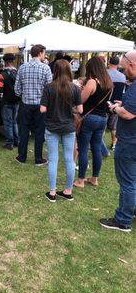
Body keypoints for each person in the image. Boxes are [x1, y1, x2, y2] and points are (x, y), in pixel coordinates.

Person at [100, 51, 136, 232]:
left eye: (124, 68)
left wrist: (116, 109)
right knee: (133, 180)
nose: (123, 72)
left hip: (130, 141)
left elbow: (129, 114)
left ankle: (123, 220)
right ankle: (131, 210)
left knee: (127, 182)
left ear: (132, 65)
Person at [40, 60, 83, 202]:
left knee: (53, 159)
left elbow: (42, 109)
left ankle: (52, 193)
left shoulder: (49, 87)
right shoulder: (75, 88)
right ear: (69, 70)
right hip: (69, 127)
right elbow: (80, 110)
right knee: (69, 159)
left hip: (52, 127)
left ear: (55, 70)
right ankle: (68, 191)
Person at [74, 56, 113, 188]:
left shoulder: (92, 82)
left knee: (83, 148)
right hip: (103, 119)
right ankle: (94, 178)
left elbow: (81, 100)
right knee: (96, 148)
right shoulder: (109, 82)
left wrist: (80, 90)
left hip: (89, 118)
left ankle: (80, 180)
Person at [15, 44, 52, 166]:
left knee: (24, 130)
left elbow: (17, 88)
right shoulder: (45, 68)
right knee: (39, 131)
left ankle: (22, 157)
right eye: (44, 53)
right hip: (40, 105)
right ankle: (38, 159)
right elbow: (49, 88)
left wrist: (23, 95)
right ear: (40, 53)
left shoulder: (22, 67)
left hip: (25, 104)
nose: (44, 55)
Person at [0, 53, 20, 150]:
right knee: (15, 122)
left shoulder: (2, 75)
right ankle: (17, 141)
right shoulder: (18, 73)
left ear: (5, 62)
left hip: (6, 101)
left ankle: (9, 143)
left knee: (8, 122)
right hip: (16, 101)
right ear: (13, 61)